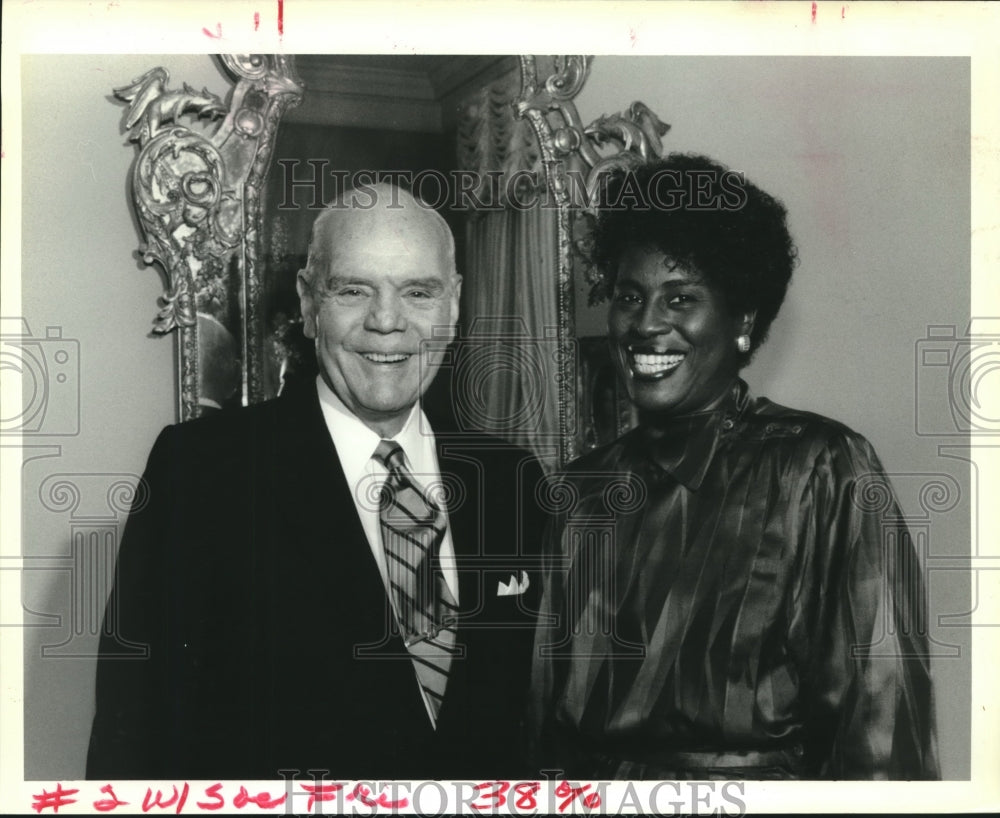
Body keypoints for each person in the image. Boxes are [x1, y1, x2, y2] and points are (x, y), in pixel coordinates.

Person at [87, 183, 546, 780]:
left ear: (453, 307)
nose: (387, 322)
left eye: (418, 292)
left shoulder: (512, 483)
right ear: (309, 303)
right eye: (354, 290)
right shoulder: (202, 473)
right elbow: (133, 741)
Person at [528, 155, 939, 780]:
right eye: (629, 297)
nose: (644, 324)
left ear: (743, 319)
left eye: (681, 298)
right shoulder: (579, 492)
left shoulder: (821, 470)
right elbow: (541, 737)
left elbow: (881, 727)